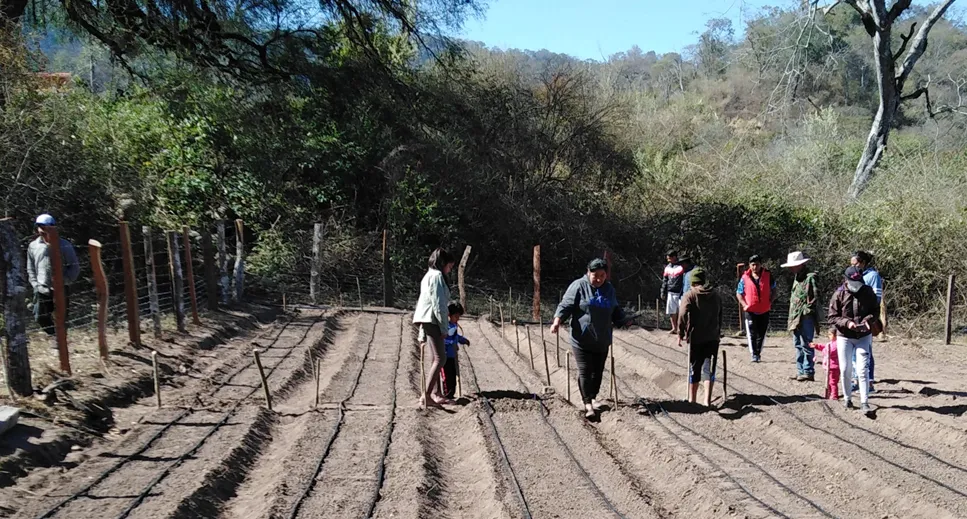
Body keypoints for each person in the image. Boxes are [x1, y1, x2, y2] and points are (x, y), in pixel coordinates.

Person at [551, 258, 632, 420]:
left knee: (598, 372)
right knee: (585, 370)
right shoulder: (578, 286)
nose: (599, 279)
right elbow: (565, 305)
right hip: (581, 339)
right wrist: (557, 321)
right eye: (595, 275)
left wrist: (624, 320)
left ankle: (593, 397)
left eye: (602, 275)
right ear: (588, 273)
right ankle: (587, 404)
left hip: (602, 339)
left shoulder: (609, 289)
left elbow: (615, 310)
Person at [827, 266, 879, 413]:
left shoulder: (868, 291)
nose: (856, 285)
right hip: (845, 336)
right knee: (845, 369)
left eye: (858, 281)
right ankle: (847, 399)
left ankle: (864, 401)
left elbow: (875, 310)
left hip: (864, 335)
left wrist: (868, 320)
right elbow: (832, 316)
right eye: (853, 281)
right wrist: (847, 323)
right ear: (846, 280)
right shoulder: (839, 294)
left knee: (863, 369)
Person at [26, 214, 80, 343]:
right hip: (42, 288)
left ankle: (61, 341)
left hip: (61, 288)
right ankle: (55, 335)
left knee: (62, 317)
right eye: (39, 226)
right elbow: (30, 268)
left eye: (45, 227)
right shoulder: (33, 246)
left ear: (53, 228)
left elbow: (74, 267)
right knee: (40, 317)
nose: (42, 230)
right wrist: (35, 284)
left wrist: (64, 281)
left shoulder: (64, 245)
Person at [413, 247, 455, 409]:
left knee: (435, 357)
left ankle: (436, 394)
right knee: (440, 358)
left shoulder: (427, 275)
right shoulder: (437, 276)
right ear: (443, 263)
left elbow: (424, 302)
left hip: (428, 320)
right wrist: (444, 327)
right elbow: (438, 305)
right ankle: (426, 396)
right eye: (449, 267)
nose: (449, 270)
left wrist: (422, 332)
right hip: (433, 320)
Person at [677, 268, 722, 407]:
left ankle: (692, 401)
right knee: (708, 368)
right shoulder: (716, 295)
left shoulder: (690, 295)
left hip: (696, 337)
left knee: (695, 368)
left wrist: (681, 333)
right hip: (713, 337)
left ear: (693, 282)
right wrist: (718, 331)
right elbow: (720, 314)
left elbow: (683, 314)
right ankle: (707, 401)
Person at [782, 251, 818, 381]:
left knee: (806, 343)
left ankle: (808, 371)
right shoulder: (797, 277)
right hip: (795, 316)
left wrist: (807, 311)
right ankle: (800, 370)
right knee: (797, 343)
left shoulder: (810, 277)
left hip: (805, 316)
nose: (791, 268)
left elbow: (814, 297)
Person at [850, 250, 883, 393]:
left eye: (856, 263)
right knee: (852, 352)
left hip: (867, 319)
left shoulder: (873, 276)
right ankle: (856, 380)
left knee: (866, 351)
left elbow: (877, 298)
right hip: (853, 319)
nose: (853, 266)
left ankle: (869, 382)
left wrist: (869, 316)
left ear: (863, 262)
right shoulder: (854, 275)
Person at [736, 255, 776, 363]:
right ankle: (754, 353)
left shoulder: (768, 275)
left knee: (761, 333)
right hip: (750, 311)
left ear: (760, 264)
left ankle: (758, 352)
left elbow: (774, 290)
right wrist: (744, 305)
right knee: (752, 333)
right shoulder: (744, 277)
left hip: (764, 310)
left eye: (757, 264)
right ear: (749, 265)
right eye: (752, 264)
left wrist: (770, 302)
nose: (755, 267)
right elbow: (739, 293)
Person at [441, 302, 470, 400]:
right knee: (447, 375)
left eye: (459, 316)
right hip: (445, 355)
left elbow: (455, 336)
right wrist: (452, 344)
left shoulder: (454, 325)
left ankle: (451, 393)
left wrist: (462, 340)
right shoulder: (446, 326)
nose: (457, 318)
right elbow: (444, 339)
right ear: (449, 315)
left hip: (451, 355)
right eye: (456, 316)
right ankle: (447, 394)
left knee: (453, 374)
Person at [808, 329, 840, 400]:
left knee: (833, 382)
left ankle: (834, 395)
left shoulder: (836, 344)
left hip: (833, 367)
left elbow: (829, 351)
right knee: (829, 382)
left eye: (830, 334)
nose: (829, 336)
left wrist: (819, 355)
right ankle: (829, 394)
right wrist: (816, 346)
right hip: (829, 366)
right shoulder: (831, 343)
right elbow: (825, 347)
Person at [660, 250, 685, 335]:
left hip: (680, 292)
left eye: (669, 258)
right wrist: (663, 291)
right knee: (672, 311)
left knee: (682, 312)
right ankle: (674, 328)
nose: (668, 260)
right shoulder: (667, 267)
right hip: (670, 292)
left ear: (674, 257)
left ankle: (681, 329)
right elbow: (665, 280)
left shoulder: (681, 267)